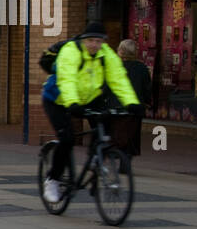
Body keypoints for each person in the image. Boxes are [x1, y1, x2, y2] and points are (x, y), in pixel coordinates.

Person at [41, 27, 143, 202]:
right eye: (91, 41)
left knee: (105, 133)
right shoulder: (71, 52)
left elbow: (119, 79)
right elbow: (67, 80)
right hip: (58, 99)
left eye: (99, 41)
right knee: (67, 140)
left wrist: (131, 102)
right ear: (83, 40)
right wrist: (72, 103)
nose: (95, 45)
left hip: (89, 98)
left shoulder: (107, 55)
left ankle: (94, 162)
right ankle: (53, 180)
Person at [107, 38, 152, 156]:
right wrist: (148, 102)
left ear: (121, 51)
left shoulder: (114, 67)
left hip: (116, 107)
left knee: (115, 134)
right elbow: (146, 88)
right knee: (132, 135)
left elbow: (107, 87)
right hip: (135, 109)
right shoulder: (142, 68)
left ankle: (116, 154)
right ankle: (127, 159)